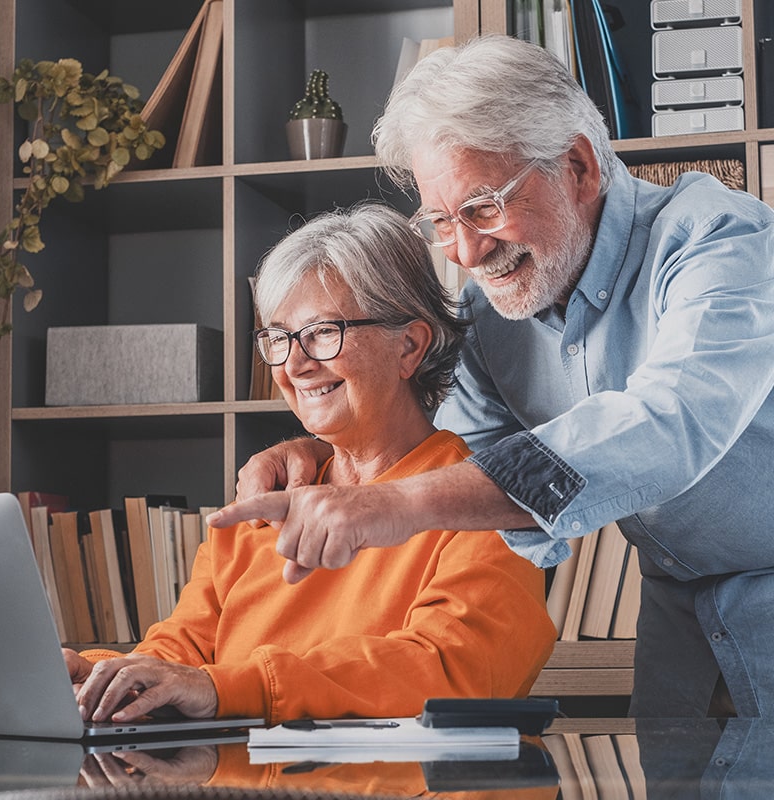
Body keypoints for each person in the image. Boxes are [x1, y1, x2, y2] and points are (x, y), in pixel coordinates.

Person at [216, 35, 774, 718]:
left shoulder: (719, 238)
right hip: (677, 608)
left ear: (578, 166)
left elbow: (671, 423)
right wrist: (332, 453)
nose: (466, 252)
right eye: (441, 222)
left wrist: (396, 504)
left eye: (482, 209)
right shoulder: (490, 316)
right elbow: (458, 464)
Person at [64, 202, 556, 725]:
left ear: (409, 346)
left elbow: (451, 671)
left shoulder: (478, 503)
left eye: (323, 331)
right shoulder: (265, 496)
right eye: (278, 337)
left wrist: (234, 686)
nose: (295, 365)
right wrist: (96, 678)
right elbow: (185, 650)